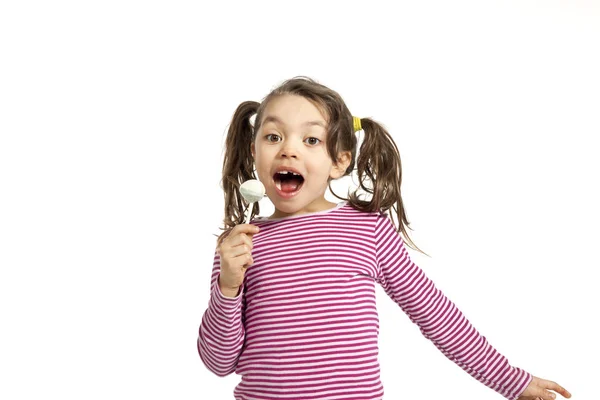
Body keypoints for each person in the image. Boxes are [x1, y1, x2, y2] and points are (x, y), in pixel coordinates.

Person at [197, 76, 571, 400]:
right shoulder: (239, 246)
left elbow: (435, 313)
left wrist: (511, 381)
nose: (288, 149)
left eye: (311, 139)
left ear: (340, 161)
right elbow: (218, 361)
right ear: (253, 151)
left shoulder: (367, 230)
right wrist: (227, 287)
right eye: (273, 136)